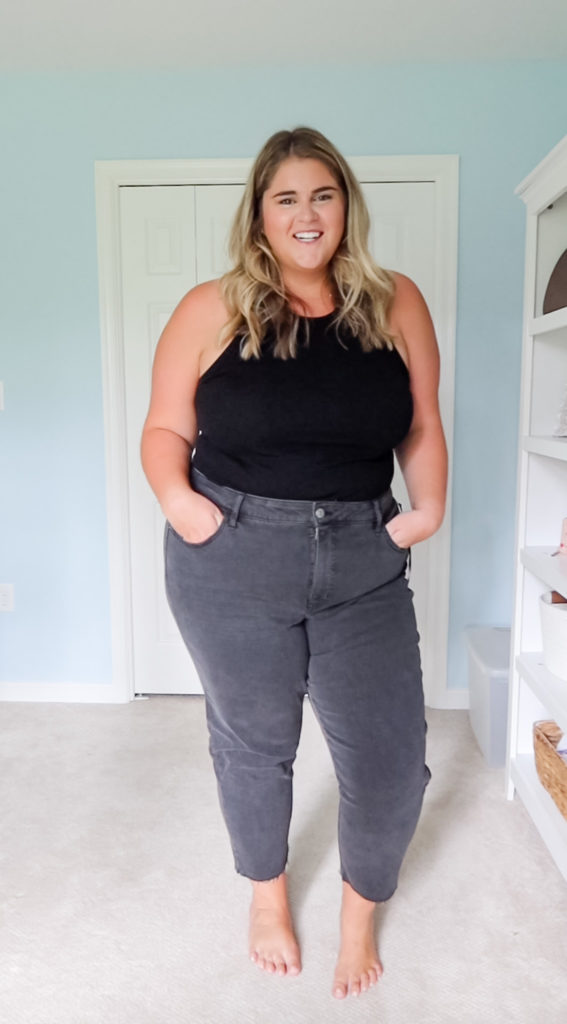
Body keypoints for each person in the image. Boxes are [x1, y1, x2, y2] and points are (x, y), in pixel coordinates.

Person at [141, 126, 447, 1000]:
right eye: (287, 198)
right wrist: (181, 503)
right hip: (232, 552)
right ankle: (266, 896)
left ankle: (359, 914)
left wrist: (425, 511)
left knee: (391, 759)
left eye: (322, 194)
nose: (306, 213)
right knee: (253, 745)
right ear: (260, 216)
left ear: (345, 206)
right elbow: (165, 428)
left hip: (362, 554)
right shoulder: (213, 307)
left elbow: (420, 423)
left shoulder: (394, 303)